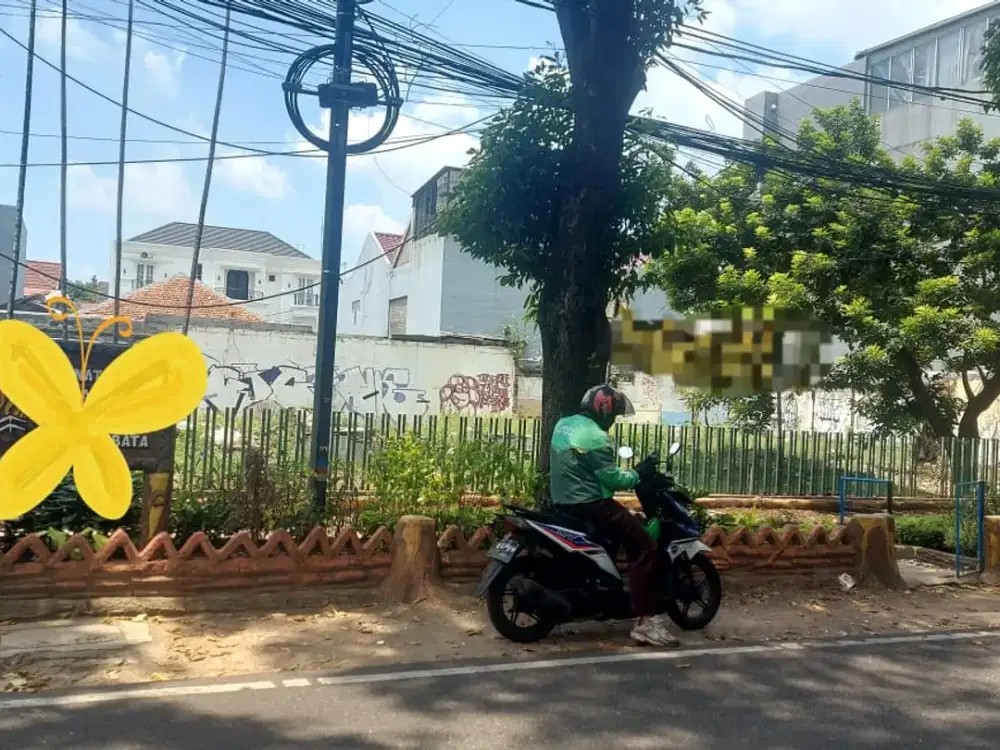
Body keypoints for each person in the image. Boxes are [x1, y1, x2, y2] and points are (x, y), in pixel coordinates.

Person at [549, 384, 679, 648]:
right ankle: (645, 623)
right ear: (605, 410)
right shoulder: (596, 437)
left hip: (563, 503)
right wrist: (639, 472)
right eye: (615, 414)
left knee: (624, 529)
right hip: (591, 504)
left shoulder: (564, 424)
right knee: (644, 545)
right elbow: (613, 478)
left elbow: (586, 466)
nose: (614, 419)